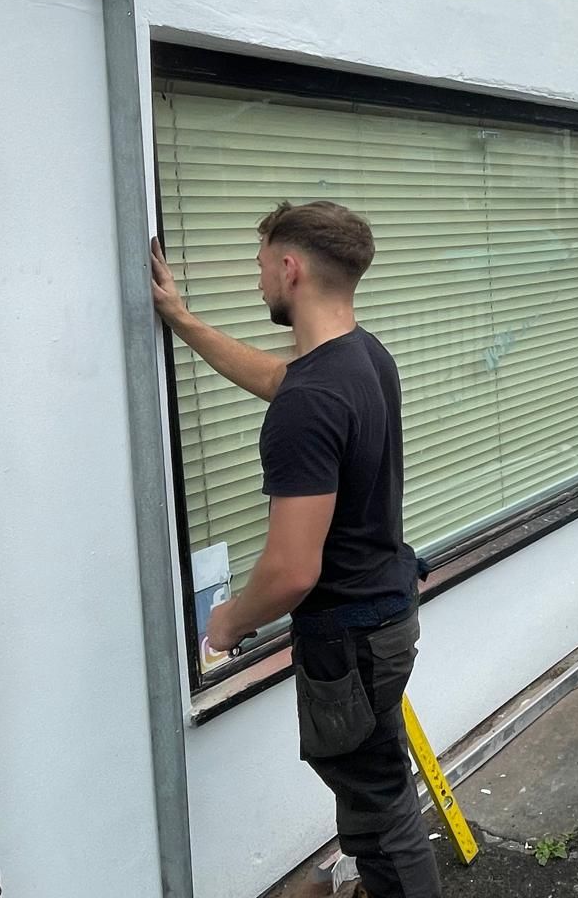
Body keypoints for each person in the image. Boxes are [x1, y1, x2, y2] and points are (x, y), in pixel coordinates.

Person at [151, 201, 442, 898]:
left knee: (381, 811)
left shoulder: (314, 398)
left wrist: (221, 626)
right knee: (373, 785)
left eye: (260, 268)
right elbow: (278, 381)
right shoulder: (362, 356)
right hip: (384, 619)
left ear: (291, 268)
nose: (257, 284)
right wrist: (184, 322)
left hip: (351, 641)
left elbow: (289, 571)